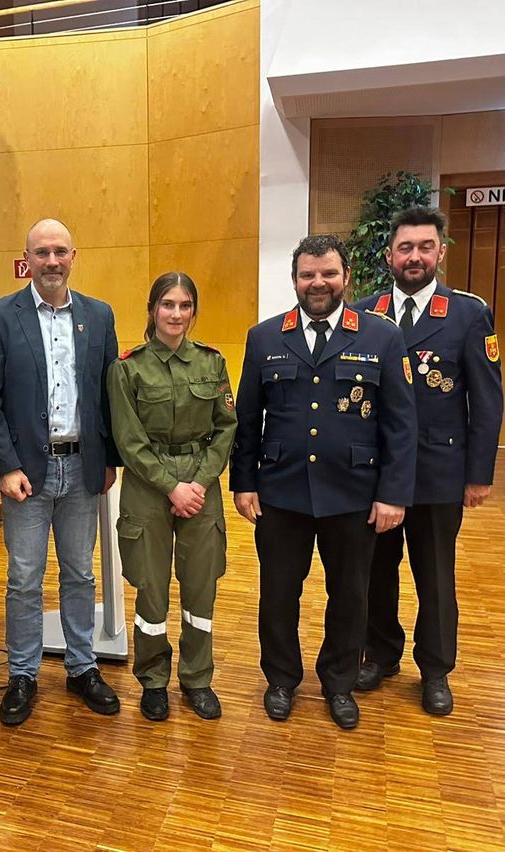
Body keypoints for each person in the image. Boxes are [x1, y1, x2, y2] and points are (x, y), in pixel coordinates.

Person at [230, 234, 417, 730]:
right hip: (282, 492)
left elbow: (400, 423)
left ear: (346, 277)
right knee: (277, 594)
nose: (318, 283)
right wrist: (243, 482)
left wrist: (393, 493)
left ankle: (338, 682)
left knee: (351, 595)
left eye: (328, 273)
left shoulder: (381, 336)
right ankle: (281, 679)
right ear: (294, 280)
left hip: (353, 494)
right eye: (308, 275)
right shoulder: (265, 337)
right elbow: (247, 419)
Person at [0, 218, 121, 725]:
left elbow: (108, 396)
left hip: (83, 469)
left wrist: (109, 461)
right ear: (27, 259)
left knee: (81, 573)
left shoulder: (99, 316)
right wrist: (5, 465)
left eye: (60, 251)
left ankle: (82, 668)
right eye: (42, 252)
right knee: (24, 578)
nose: (51, 261)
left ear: (74, 256)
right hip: (25, 476)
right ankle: (23, 674)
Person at [354, 207, 503, 715]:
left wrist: (479, 474)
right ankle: (381, 654)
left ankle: (436, 668)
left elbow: (487, 400)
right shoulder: (364, 314)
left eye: (424, 247)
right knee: (377, 570)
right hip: (375, 474)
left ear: (441, 251)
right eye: (404, 247)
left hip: (439, 473)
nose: (414, 256)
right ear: (390, 254)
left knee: (435, 574)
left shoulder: (467, 314)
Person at [107, 273, 237, 722]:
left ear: (193, 312)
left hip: (202, 485)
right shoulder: (128, 367)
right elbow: (129, 440)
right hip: (149, 487)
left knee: (201, 587)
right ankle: (154, 679)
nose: (176, 314)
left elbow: (226, 427)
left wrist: (198, 483)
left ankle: (198, 678)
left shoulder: (212, 363)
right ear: (152, 308)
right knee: (151, 589)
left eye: (184, 305)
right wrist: (171, 486)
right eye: (167, 304)